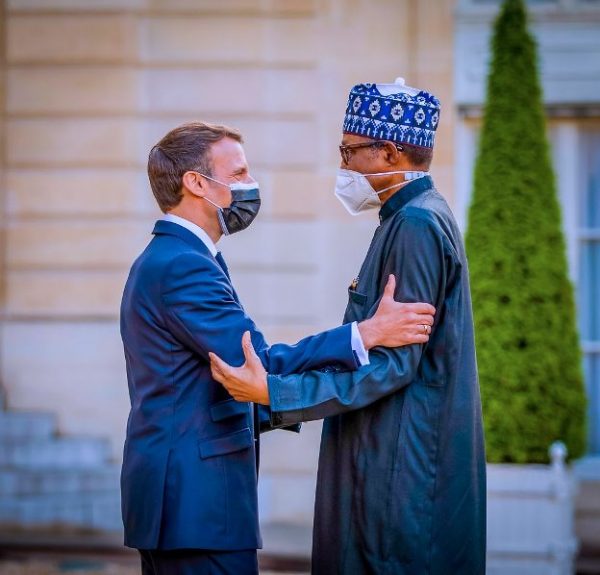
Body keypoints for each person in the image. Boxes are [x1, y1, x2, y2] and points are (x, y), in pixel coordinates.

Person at [119, 121, 436, 575]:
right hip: (196, 504)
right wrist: (362, 335)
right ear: (195, 183)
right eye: (240, 172)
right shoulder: (183, 265)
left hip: (186, 503)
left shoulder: (180, 258)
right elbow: (259, 363)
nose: (250, 185)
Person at [210, 78, 487, 574]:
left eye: (349, 150)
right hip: (391, 458)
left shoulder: (417, 225)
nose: (342, 165)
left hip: (396, 472)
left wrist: (275, 393)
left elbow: (393, 367)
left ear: (388, 152)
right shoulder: (408, 217)